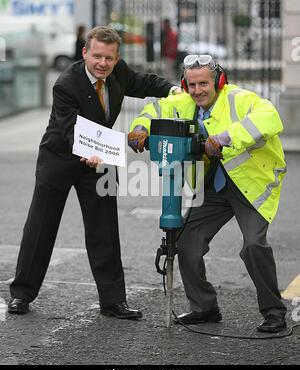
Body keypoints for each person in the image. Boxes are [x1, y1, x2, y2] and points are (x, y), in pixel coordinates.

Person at [8, 26, 181, 319]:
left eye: (109, 58)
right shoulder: (65, 83)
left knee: (105, 231)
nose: (103, 63)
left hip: (100, 160)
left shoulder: (118, 72)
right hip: (60, 158)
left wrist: (172, 89)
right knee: (40, 228)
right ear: (85, 52)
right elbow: (68, 128)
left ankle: (113, 301)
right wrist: (86, 152)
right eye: (97, 56)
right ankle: (22, 294)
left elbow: (142, 82)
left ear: (116, 58)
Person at [128, 54, 287, 333]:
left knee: (253, 246)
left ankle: (274, 312)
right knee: (186, 241)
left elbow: (270, 117)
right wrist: (140, 127)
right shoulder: (183, 102)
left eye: (203, 83)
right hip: (213, 187)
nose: (197, 90)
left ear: (219, 81)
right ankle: (204, 308)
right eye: (192, 85)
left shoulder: (240, 99)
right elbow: (153, 109)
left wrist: (225, 137)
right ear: (184, 85)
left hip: (250, 184)